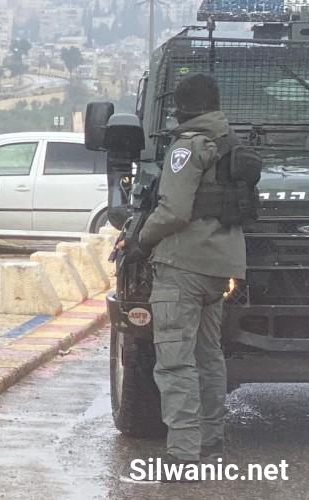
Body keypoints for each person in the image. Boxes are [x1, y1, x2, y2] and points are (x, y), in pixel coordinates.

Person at [125, 74, 246, 474]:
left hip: (183, 265)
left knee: (175, 359)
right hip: (221, 266)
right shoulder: (228, 143)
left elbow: (174, 211)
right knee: (209, 357)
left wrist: (141, 240)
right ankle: (210, 442)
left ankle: (183, 453)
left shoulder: (187, 146)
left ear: (182, 108)